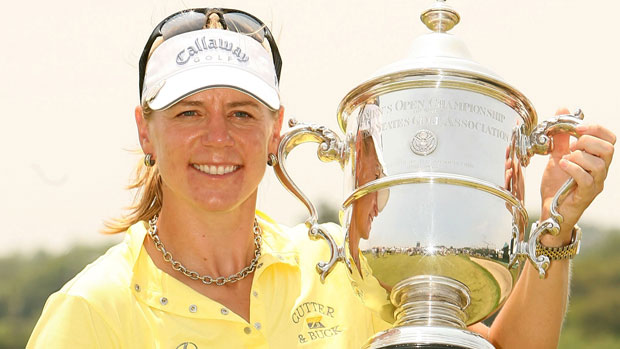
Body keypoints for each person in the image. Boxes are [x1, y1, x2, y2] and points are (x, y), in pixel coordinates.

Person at [27, 7, 615, 349]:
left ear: (278, 128)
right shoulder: (90, 311)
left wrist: (555, 227)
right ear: (144, 130)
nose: (217, 138)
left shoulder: (337, 265)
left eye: (241, 112)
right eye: (187, 112)